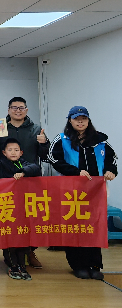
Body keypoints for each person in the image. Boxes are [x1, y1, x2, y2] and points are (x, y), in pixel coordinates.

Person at [47, 106, 118, 280]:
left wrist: (111, 171)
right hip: (71, 192)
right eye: (76, 119)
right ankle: (78, 265)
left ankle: (95, 265)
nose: (80, 122)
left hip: (95, 191)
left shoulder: (100, 140)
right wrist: (75, 172)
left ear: (88, 120)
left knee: (94, 226)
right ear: (70, 120)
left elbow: (112, 159)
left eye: (83, 119)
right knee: (74, 227)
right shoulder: (62, 139)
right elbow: (53, 159)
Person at [0, 136, 41, 281]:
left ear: (21, 152)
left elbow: (36, 168)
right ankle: (13, 265)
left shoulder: (24, 164)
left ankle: (22, 265)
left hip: (23, 207)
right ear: (4, 152)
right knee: (9, 237)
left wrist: (23, 172)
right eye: (10, 150)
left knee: (22, 236)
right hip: (6, 207)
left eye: (16, 150)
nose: (13, 152)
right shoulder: (0, 163)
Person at [0, 97, 49, 167]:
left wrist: (44, 144)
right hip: (6, 172)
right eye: (14, 108)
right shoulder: (0, 128)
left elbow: (45, 156)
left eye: (21, 108)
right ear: (9, 110)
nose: (18, 111)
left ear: (26, 110)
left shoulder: (36, 129)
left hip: (30, 171)